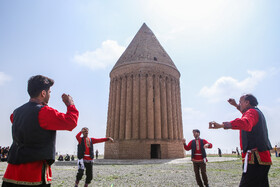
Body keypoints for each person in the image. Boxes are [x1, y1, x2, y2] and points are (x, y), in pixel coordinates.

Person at [2, 75, 79, 187]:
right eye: (49, 92)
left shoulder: (16, 112)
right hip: (33, 175)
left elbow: (14, 119)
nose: (49, 95)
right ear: (43, 93)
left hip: (11, 174)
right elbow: (71, 122)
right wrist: (70, 104)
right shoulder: (44, 112)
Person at [209, 94, 272, 187]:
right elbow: (244, 114)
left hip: (255, 160)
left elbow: (245, 123)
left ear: (247, 102)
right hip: (261, 159)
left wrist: (222, 125)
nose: (239, 104)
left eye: (240, 102)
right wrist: (235, 105)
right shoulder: (255, 111)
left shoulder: (251, 112)